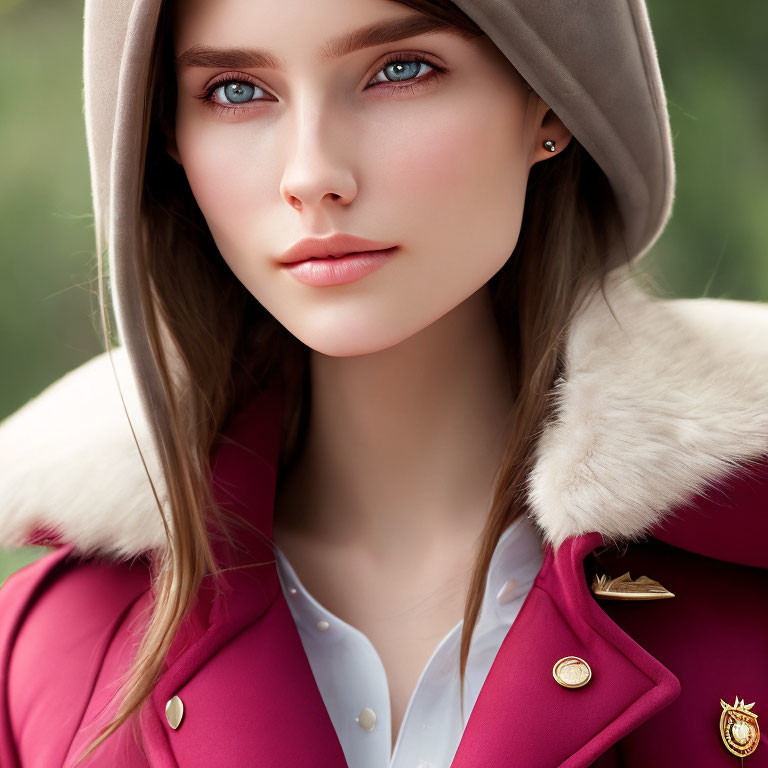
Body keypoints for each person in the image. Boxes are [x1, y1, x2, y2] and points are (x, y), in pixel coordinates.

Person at [0, 0, 766, 765]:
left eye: (401, 70)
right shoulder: (43, 660)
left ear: (550, 101)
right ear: (166, 137)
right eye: (235, 90)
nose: (313, 176)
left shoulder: (743, 584)